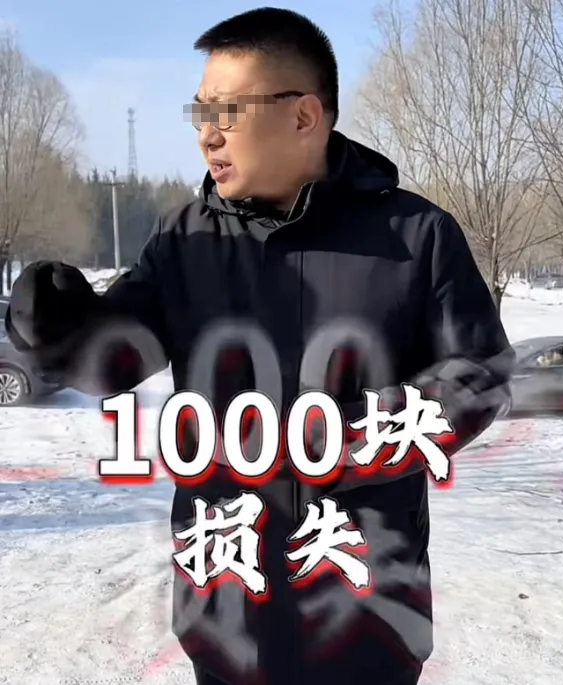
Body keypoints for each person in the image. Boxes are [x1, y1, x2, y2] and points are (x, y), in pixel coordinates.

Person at [5, 8, 515, 685]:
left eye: (226, 112)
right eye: (199, 113)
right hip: (228, 619)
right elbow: (112, 359)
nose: (206, 135)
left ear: (303, 116)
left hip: (367, 621)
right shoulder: (186, 243)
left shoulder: (416, 236)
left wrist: (349, 439)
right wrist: (52, 320)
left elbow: (479, 373)